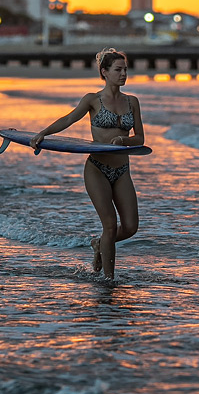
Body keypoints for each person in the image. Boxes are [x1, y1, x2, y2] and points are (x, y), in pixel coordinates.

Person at [30, 48, 145, 279]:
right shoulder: (93, 99)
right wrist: (44, 133)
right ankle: (109, 281)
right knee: (110, 225)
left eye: (125, 70)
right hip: (97, 169)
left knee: (131, 227)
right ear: (104, 72)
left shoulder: (132, 102)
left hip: (122, 170)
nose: (123, 74)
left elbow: (140, 139)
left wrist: (124, 139)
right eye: (118, 70)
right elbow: (69, 119)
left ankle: (98, 243)